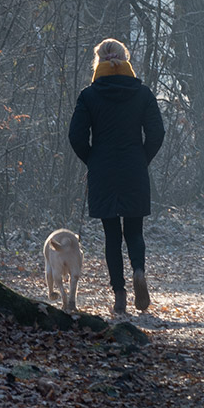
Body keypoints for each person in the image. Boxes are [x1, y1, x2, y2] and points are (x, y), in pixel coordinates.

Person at [68, 38, 165, 314]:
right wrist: (142, 158)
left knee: (112, 234)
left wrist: (93, 159)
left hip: (103, 170)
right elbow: (157, 133)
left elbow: (75, 136)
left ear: (98, 62)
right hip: (134, 167)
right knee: (134, 231)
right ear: (126, 60)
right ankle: (138, 270)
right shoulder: (143, 93)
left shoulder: (89, 95)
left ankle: (120, 295)